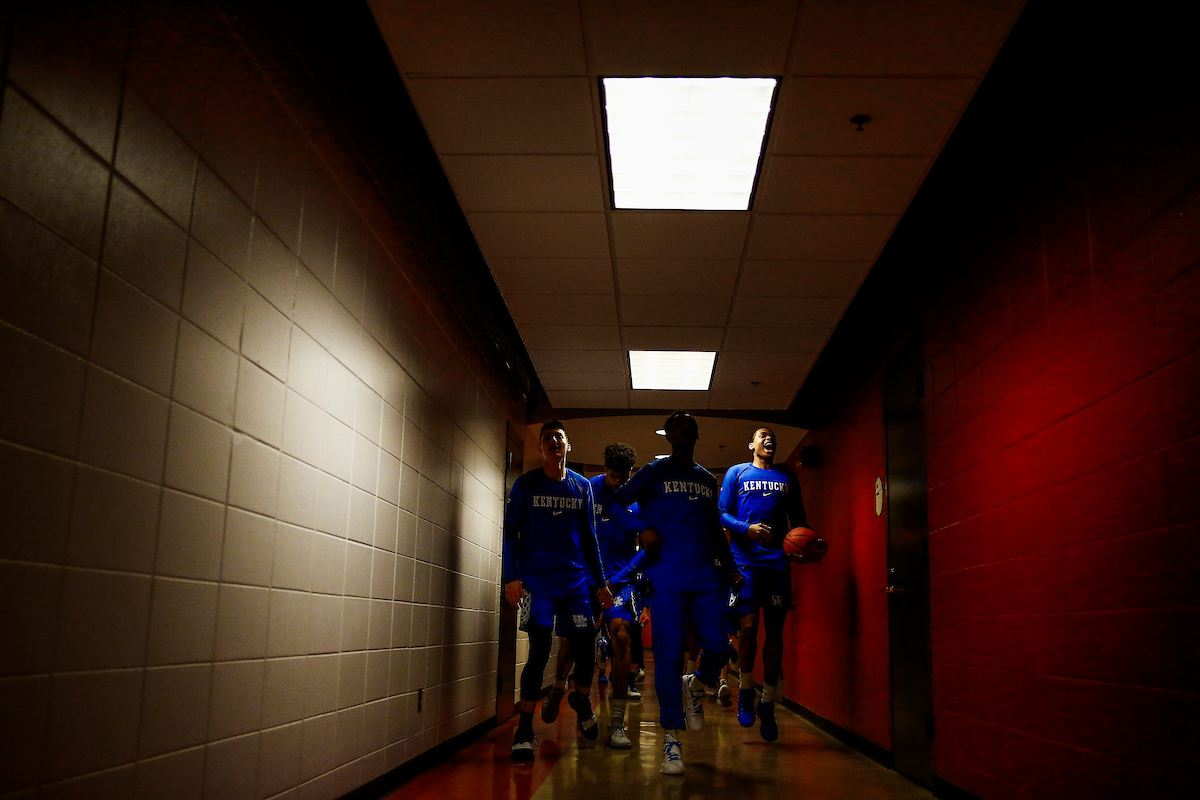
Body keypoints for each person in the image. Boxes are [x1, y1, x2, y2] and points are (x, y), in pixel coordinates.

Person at [608, 411, 741, 775]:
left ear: (696, 434)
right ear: (668, 435)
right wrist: (642, 526)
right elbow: (614, 504)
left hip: (703, 578)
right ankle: (671, 740)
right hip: (664, 577)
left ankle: (697, 685)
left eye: (689, 426)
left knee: (718, 647)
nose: (684, 431)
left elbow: (714, 528)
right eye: (677, 426)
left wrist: (730, 568)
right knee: (668, 658)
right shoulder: (655, 471)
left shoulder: (705, 479)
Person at [502, 421, 613, 761]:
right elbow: (509, 534)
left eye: (559, 437)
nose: (553, 442)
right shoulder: (526, 485)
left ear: (568, 447)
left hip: (575, 584)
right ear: (540, 449)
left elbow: (591, 539)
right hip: (538, 583)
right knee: (539, 651)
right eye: (547, 438)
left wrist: (601, 583)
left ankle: (579, 698)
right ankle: (524, 730)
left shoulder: (582, 487)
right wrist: (511, 576)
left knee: (585, 654)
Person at [718, 426, 808, 742]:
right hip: (744, 560)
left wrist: (808, 543)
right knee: (747, 627)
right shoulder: (736, 473)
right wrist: (748, 529)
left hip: (777, 564)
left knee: (775, 633)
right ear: (751, 443)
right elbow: (722, 514)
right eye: (761, 435)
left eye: (772, 436)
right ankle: (745, 690)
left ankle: (767, 702)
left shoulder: (787, 478)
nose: (768, 439)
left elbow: (799, 521)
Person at [589, 443, 642, 748]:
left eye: (622, 478)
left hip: (621, 581)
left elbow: (646, 547)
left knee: (622, 637)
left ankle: (618, 723)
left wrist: (616, 581)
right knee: (572, 647)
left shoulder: (637, 499)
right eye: (612, 476)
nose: (616, 482)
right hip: (587, 579)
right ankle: (561, 690)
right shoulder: (587, 491)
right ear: (604, 466)